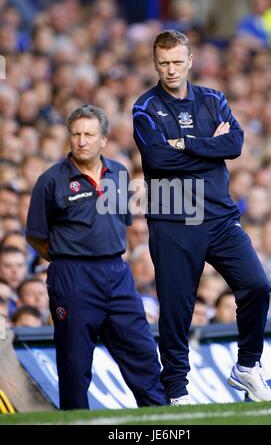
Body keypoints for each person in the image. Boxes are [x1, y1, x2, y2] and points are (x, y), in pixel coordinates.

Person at [133, 30, 271, 404]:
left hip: (219, 216)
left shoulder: (213, 98)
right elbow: (157, 159)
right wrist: (209, 147)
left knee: (257, 285)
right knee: (178, 306)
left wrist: (185, 143)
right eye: (164, 62)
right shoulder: (145, 108)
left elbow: (235, 144)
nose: (171, 69)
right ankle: (177, 389)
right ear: (155, 63)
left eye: (177, 61)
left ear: (190, 61)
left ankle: (247, 366)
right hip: (173, 218)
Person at [26, 104, 167, 410]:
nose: (82, 141)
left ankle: (161, 418)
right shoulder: (50, 181)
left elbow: (122, 224)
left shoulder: (118, 172)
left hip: (117, 273)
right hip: (72, 277)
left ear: (103, 139)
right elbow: (35, 236)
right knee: (75, 364)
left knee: (142, 352)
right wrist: (68, 259)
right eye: (75, 134)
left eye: (89, 134)